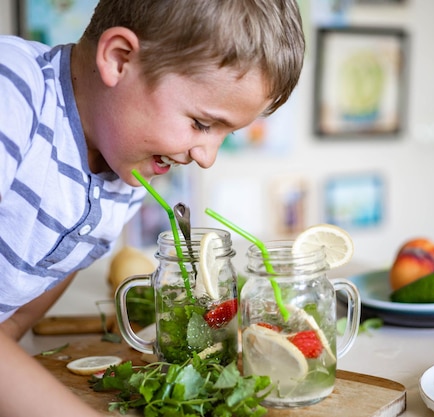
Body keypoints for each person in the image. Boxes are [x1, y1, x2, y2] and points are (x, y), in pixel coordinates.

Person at [0, 0, 305, 415]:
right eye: (201, 123)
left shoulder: (127, 172)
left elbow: (11, 325)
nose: (207, 157)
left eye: (225, 134)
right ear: (119, 59)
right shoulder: (12, 88)